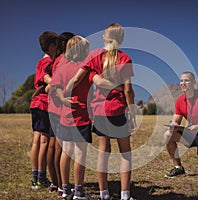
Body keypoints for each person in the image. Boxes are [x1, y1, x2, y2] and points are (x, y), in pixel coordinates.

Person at [67, 23, 136, 200]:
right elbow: (128, 90)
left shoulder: (94, 56)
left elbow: (77, 79)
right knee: (125, 154)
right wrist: (133, 113)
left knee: (103, 152)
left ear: (105, 37)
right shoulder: (125, 58)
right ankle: (125, 195)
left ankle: (104, 194)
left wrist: (63, 94)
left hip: (99, 110)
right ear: (121, 39)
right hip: (117, 109)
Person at [50, 35, 99, 200]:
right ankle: (78, 191)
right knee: (80, 154)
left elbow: (54, 86)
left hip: (65, 116)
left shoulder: (62, 68)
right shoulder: (86, 68)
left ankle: (65, 190)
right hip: (81, 117)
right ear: (82, 50)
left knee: (66, 152)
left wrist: (63, 99)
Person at [47, 32, 75, 196]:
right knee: (59, 146)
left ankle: (55, 182)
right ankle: (59, 184)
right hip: (59, 108)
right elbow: (55, 86)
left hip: (53, 107)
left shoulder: (57, 60)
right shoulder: (63, 61)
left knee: (54, 145)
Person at [29, 31, 58, 189]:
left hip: (35, 104)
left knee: (36, 141)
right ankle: (41, 177)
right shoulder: (47, 63)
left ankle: (35, 177)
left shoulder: (39, 62)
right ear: (52, 46)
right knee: (44, 141)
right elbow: (47, 79)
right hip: (44, 104)